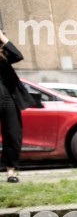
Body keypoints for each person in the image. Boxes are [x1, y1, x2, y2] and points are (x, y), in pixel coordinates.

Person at [0, 28, 35, 183]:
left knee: (13, 136)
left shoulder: (4, 58)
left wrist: (1, 36)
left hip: (8, 100)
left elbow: (18, 55)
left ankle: (10, 171)